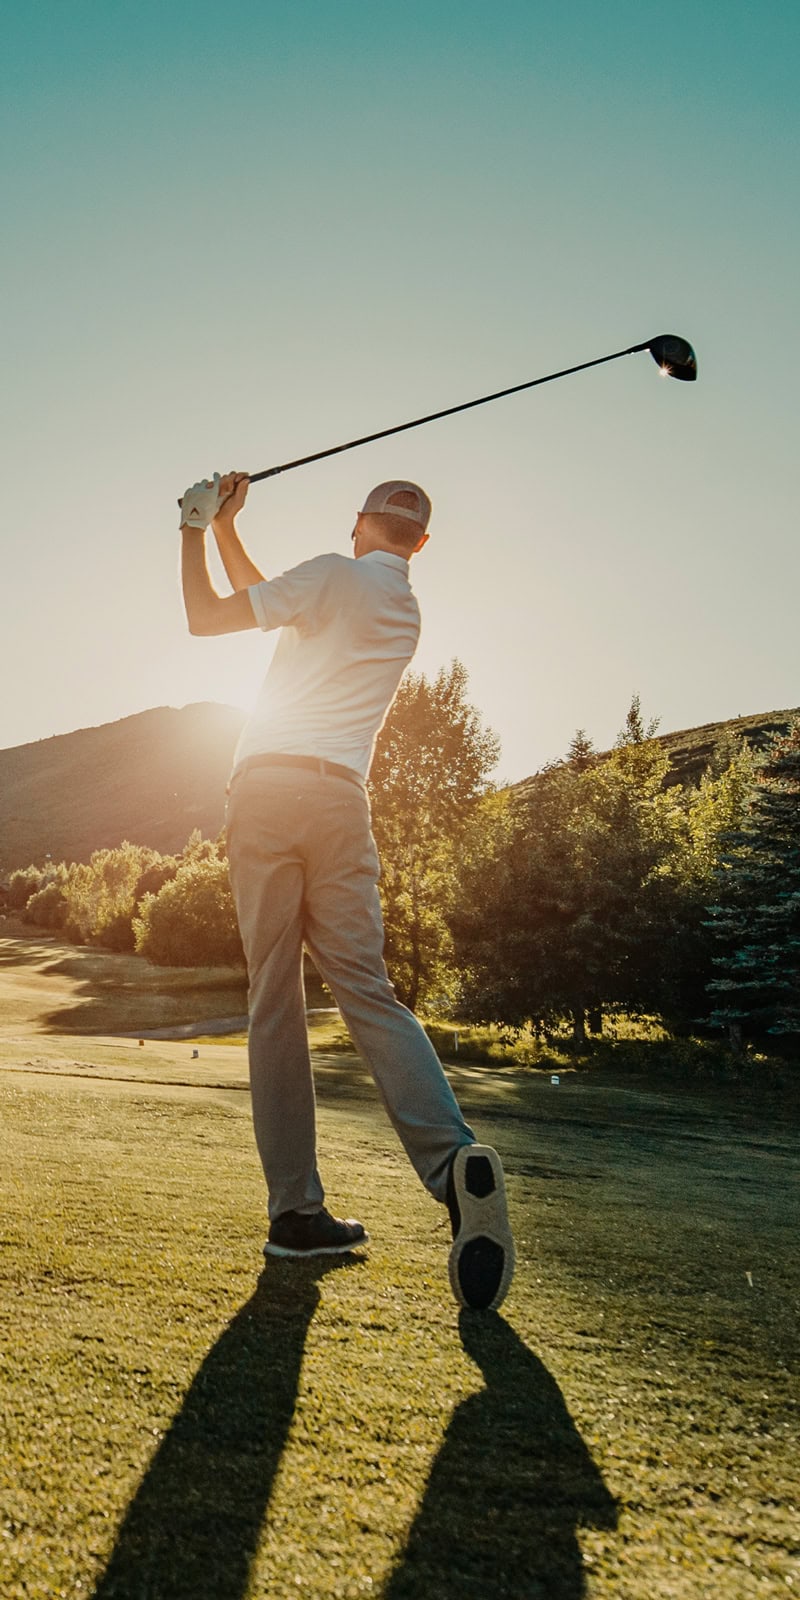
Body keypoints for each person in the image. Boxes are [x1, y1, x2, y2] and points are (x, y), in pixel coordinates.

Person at [179, 470, 515, 1310]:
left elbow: (208, 617)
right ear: (421, 544)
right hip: (340, 801)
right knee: (368, 989)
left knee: (274, 1001)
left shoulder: (331, 571)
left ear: (361, 523)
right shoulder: (402, 611)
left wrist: (190, 524)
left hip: (265, 793)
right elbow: (268, 598)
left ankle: (296, 1211)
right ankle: (451, 1163)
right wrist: (226, 530)